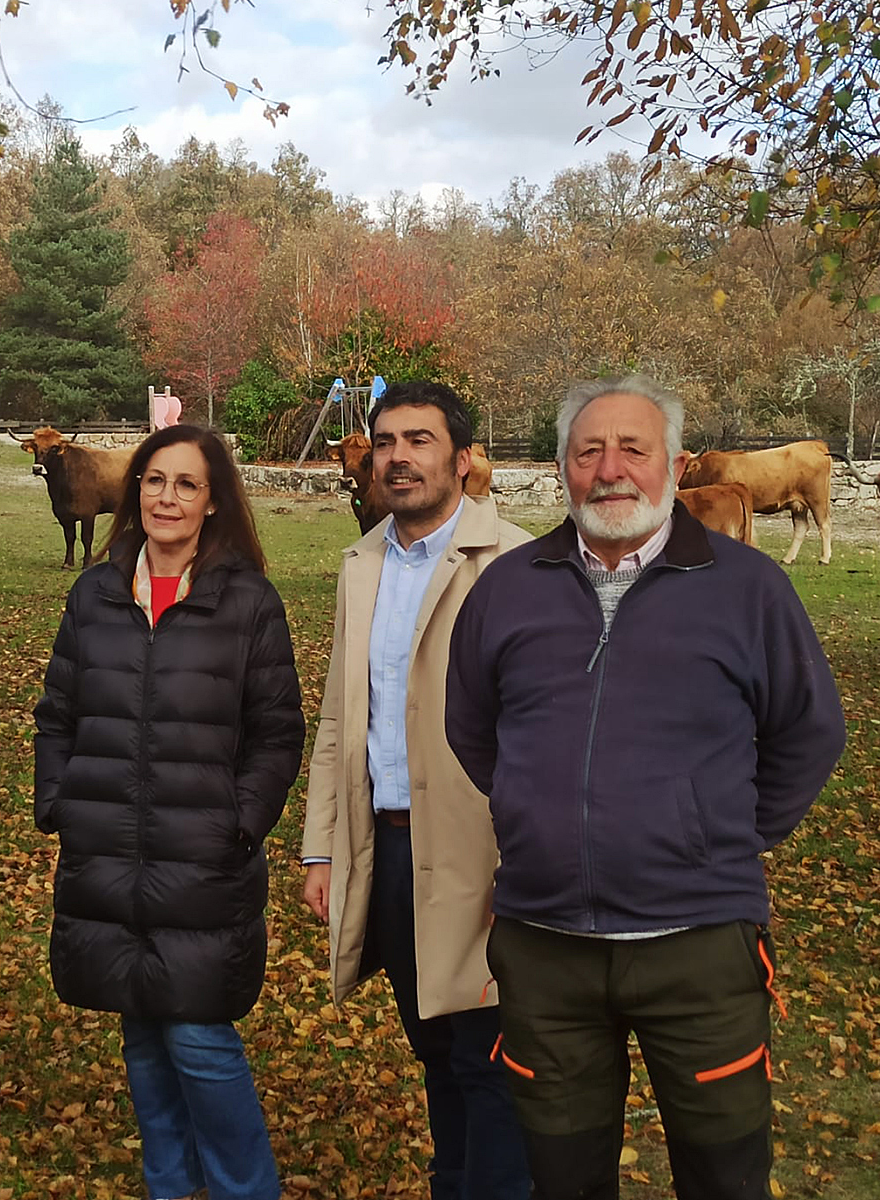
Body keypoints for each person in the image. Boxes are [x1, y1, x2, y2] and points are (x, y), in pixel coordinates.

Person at [444, 377, 846, 1200]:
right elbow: (472, 730)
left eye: (634, 448)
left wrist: (717, 832)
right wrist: (541, 814)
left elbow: (810, 731)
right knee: (562, 1179)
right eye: (589, 451)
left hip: (698, 948)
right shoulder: (508, 589)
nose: (611, 469)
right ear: (563, 469)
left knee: (725, 1177)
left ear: (672, 463)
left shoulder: (748, 588)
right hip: (546, 948)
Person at [32, 424, 305, 1200]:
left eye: (187, 484)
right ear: (135, 492)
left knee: (198, 1037)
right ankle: (169, 1186)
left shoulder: (246, 600)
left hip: (202, 857)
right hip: (107, 851)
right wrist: (59, 803)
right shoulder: (96, 592)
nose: (167, 497)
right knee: (143, 1034)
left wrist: (241, 821)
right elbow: (58, 713)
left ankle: (244, 1190)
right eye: (155, 481)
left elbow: (278, 732)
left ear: (214, 500)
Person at [301, 380, 533, 1198]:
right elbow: (337, 717)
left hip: (485, 857)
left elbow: (544, 734)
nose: (399, 457)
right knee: (433, 1041)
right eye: (386, 441)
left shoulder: (519, 564)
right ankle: (455, 1179)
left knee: (489, 1054)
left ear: (462, 461)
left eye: (420, 441)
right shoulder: (361, 564)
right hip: (387, 847)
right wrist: (323, 845)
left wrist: (532, 867)